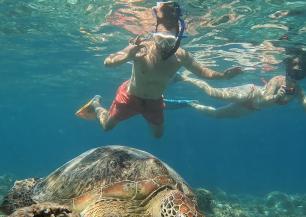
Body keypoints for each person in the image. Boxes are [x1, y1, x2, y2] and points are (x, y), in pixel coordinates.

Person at [75, 1, 242, 138]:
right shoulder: (142, 48)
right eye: (160, 39)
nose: (164, 45)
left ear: (178, 39)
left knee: (158, 135)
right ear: (154, 35)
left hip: (154, 102)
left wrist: (223, 76)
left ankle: (165, 105)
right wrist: (127, 55)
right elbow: (107, 62)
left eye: (169, 41)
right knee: (107, 126)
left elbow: (203, 72)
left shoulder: (181, 56)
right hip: (129, 96)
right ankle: (96, 104)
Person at [166, 53, 306, 118]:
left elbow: (304, 102)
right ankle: (184, 78)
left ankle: (190, 104)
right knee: (213, 93)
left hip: (251, 107)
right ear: (288, 69)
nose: (294, 77)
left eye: (299, 74)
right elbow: (263, 99)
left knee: (216, 114)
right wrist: (277, 96)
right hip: (250, 93)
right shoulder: (277, 79)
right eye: (293, 72)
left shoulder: (298, 90)